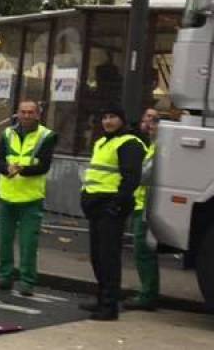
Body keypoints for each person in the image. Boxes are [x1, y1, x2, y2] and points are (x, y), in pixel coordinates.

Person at [79, 104, 145, 321]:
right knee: (97, 257)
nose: (108, 121)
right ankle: (101, 299)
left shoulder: (129, 143)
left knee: (108, 258)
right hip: (97, 206)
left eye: (113, 117)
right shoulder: (101, 142)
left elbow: (131, 178)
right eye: (105, 117)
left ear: (122, 120)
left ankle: (109, 306)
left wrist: (116, 204)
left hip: (111, 207)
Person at [0, 100, 57, 296]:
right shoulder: (8, 133)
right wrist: (5, 168)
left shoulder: (46, 136)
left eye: (30, 112)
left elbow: (44, 165)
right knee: (4, 240)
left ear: (38, 115)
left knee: (28, 243)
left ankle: (27, 281)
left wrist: (22, 170)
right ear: (17, 113)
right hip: (7, 195)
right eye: (23, 112)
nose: (26, 115)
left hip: (30, 197)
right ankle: (5, 276)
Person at [126, 107, 160, 311]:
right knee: (143, 251)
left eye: (155, 121)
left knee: (143, 251)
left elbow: (145, 175)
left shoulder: (159, 147)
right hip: (142, 204)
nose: (150, 125)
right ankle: (147, 292)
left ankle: (148, 294)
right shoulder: (149, 144)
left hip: (147, 207)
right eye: (148, 119)